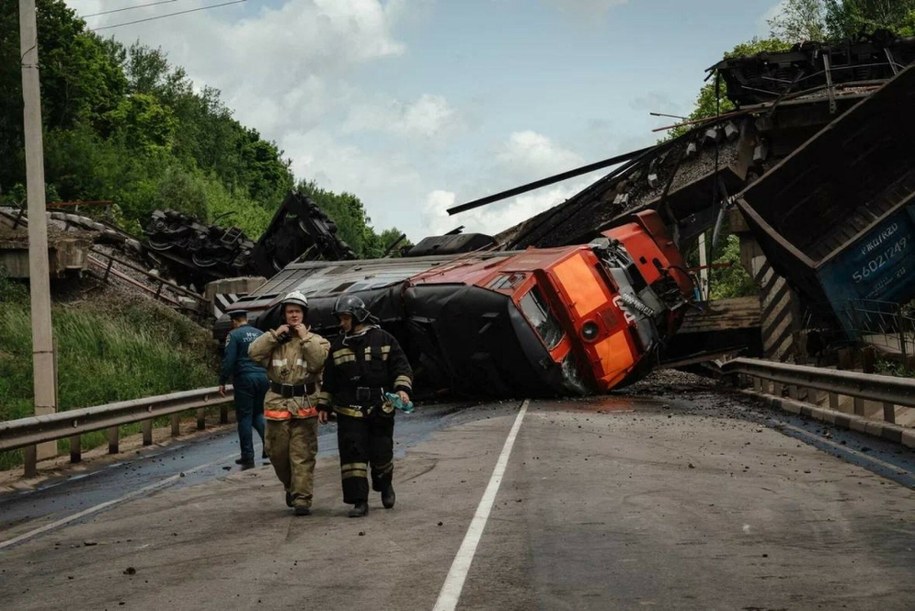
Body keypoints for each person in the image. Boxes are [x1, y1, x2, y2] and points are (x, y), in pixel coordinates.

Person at [317, 294, 413, 518]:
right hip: (348, 410)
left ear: (358, 316)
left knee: (381, 452)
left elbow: (401, 367)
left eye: (345, 318)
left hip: (380, 408)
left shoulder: (384, 339)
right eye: (340, 318)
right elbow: (330, 380)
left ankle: (385, 486)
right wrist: (323, 405)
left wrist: (402, 390)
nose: (341, 323)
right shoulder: (338, 346)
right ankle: (359, 501)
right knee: (353, 456)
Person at [248, 291, 330, 516]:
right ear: (284, 315)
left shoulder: (317, 341)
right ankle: (291, 487)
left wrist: (305, 338)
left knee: (302, 455)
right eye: (290, 312)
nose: (294, 315)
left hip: (305, 405)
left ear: (304, 314)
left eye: (297, 312)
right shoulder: (275, 341)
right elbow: (253, 353)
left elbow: (318, 362)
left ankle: (302, 498)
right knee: (277, 453)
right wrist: (274, 335)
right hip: (278, 405)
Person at [218, 309, 268, 470]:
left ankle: (247, 454)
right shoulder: (260, 334)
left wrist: (222, 380)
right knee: (258, 413)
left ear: (234, 321)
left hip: (245, 378)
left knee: (245, 417)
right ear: (246, 319)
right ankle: (269, 447)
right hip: (263, 377)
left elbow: (229, 360)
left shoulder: (234, 335)